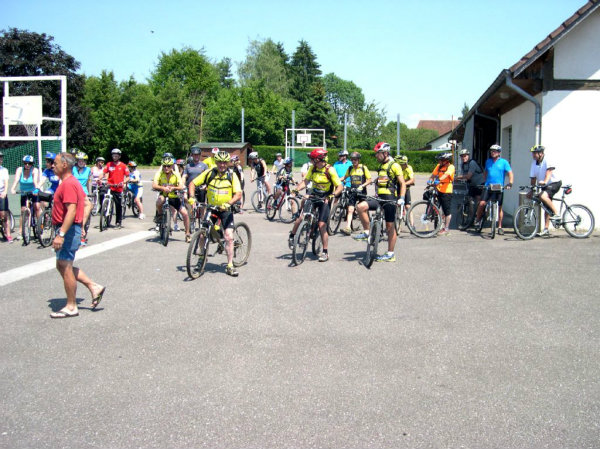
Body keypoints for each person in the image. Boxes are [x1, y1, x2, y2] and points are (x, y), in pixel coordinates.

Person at [49, 152, 105, 318]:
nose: (53, 166)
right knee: (61, 265)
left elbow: (72, 210)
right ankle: (94, 287)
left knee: (65, 266)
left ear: (65, 165)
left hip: (67, 230)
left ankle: (72, 306)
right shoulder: (71, 182)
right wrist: (81, 224)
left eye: (55, 163)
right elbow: (87, 204)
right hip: (71, 228)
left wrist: (61, 234)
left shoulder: (68, 184)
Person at [189, 150, 243, 276]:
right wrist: (191, 198)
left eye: (224, 162)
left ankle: (230, 265)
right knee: (202, 234)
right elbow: (192, 183)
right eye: (219, 162)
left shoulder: (232, 175)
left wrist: (228, 203)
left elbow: (238, 194)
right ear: (216, 162)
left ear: (227, 163)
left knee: (228, 236)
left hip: (226, 209)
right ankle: (202, 258)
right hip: (211, 208)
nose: (222, 165)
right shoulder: (210, 173)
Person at [353, 142, 406, 262]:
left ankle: (390, 254)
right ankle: (367, 232)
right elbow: (383, 179)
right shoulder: (381, 166)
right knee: (360, 207)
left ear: (385, 153)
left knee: (390, 227)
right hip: (379, 198)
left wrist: (402, 198)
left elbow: (402, 183)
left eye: (378, 153)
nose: (376, 156)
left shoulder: (394, 165)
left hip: (390, 199)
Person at [289, 148, 342, 262]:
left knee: (322, 225)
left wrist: (332, 195)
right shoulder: (313, 168)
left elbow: (340, 186)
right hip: (314, 195)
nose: (311, 161)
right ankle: (292, 236)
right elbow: (305, 182)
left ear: (318, 159)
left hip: (325, 198)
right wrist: (296, 190)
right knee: (302, 217)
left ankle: (325, 252)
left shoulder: (330, 170)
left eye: (312, 159)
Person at [474, 144, 513, 235]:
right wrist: (484, 181)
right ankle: (478, 219)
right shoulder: (488, 161)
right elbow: (485, 172)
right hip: (488, 186)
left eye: (494, 151)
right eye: (491, 151)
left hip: (499, 187)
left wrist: (510, 183)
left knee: (499, 207)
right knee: (482, 203)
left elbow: (510, 173)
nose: (492, 153)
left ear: (499, 153)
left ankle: (499, 227)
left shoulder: (504, 162)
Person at [152, 156, 191, 242]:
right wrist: (163, 188)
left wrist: (174, 188)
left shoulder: (176, 174)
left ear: (172, 166)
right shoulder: (159, 174)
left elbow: (181, 186)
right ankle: (160, 215)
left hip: (174, 196)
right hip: (164, 195)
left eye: (168, 166)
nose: (166, 168)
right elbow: (154, 185)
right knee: (159, 201)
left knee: (185, 213)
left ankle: (187, 234)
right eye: (164, 166)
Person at [529, 144, 562, 236]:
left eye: (535, 153)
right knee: (546, 207)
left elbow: (549, 172)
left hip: (554, 183)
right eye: (533, 153)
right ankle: (546, 229)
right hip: (545, 185)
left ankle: (556, 213)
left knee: (543, 196)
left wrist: (545, 181)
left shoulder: (547, 159)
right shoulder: (534, 163)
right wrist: (531, 190)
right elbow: (533, 178)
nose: (533, 155)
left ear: (541, 153)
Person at [339, 151, 372, 235]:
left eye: (355, 159)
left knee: (363, 210)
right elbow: (344, 177)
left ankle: (367, 228)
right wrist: (336, 181)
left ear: (358, 160)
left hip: (361, 192)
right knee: (350, 209)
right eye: (352, 159)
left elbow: (369, 180)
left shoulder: (363, 168)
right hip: (353, 191)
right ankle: (348, 228)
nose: (354, 161)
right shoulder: (350, 168)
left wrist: (362, 186)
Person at [11, 155, 42, 226]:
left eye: (29, 163)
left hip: (33, 192)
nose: (27, 165)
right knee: (23, 210)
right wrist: (13, 188)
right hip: (24, 192)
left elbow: (35, 181)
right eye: (25, 163)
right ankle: (21, 230)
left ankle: (40, 226)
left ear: (32, 164)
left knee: (37, 206)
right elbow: (16, 180)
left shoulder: (34, 170)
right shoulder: (19, 170)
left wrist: (36, 189)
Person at [101, 148, 129, 228]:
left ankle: (118, 222)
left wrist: (123, 182)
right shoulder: (109, 164)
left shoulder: (123, 166)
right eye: (113, 155)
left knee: (118, 205)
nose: (114, 157)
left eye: (116, 156)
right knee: (103, 194)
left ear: (119, 156)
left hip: (118, 187)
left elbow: (127, 177)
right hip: (110, 185)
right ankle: (104, 210)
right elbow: (103, 173)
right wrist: (100, 179)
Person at [428, 152, 455, 236]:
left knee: (447, 211)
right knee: (437, 206)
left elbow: (446, 175)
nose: (439, 161)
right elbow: (433, 175)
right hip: (438, 189)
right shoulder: (438, 166)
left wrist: (439, 180)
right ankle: (438, 220)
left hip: (446, 191)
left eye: (440, 160)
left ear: (445, 160)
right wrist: (430, 180)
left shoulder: (451, 167)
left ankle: (446, 229)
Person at [72, 151, 93, 244]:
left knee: (89, 205)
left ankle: (82, 227)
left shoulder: (88, 170)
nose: (81, 162)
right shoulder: (72, 169)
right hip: (73, 191)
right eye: (79, 160)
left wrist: (90, 193)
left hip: (84, 192)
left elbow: (89, 182)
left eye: (83, 161)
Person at [0, 151, 13, 242]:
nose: (0, 159)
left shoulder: (4, 170)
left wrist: (4, 192)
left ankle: (8, 234)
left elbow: (6, 182)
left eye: (1, 158)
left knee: (4, 215)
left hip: (1, 193)